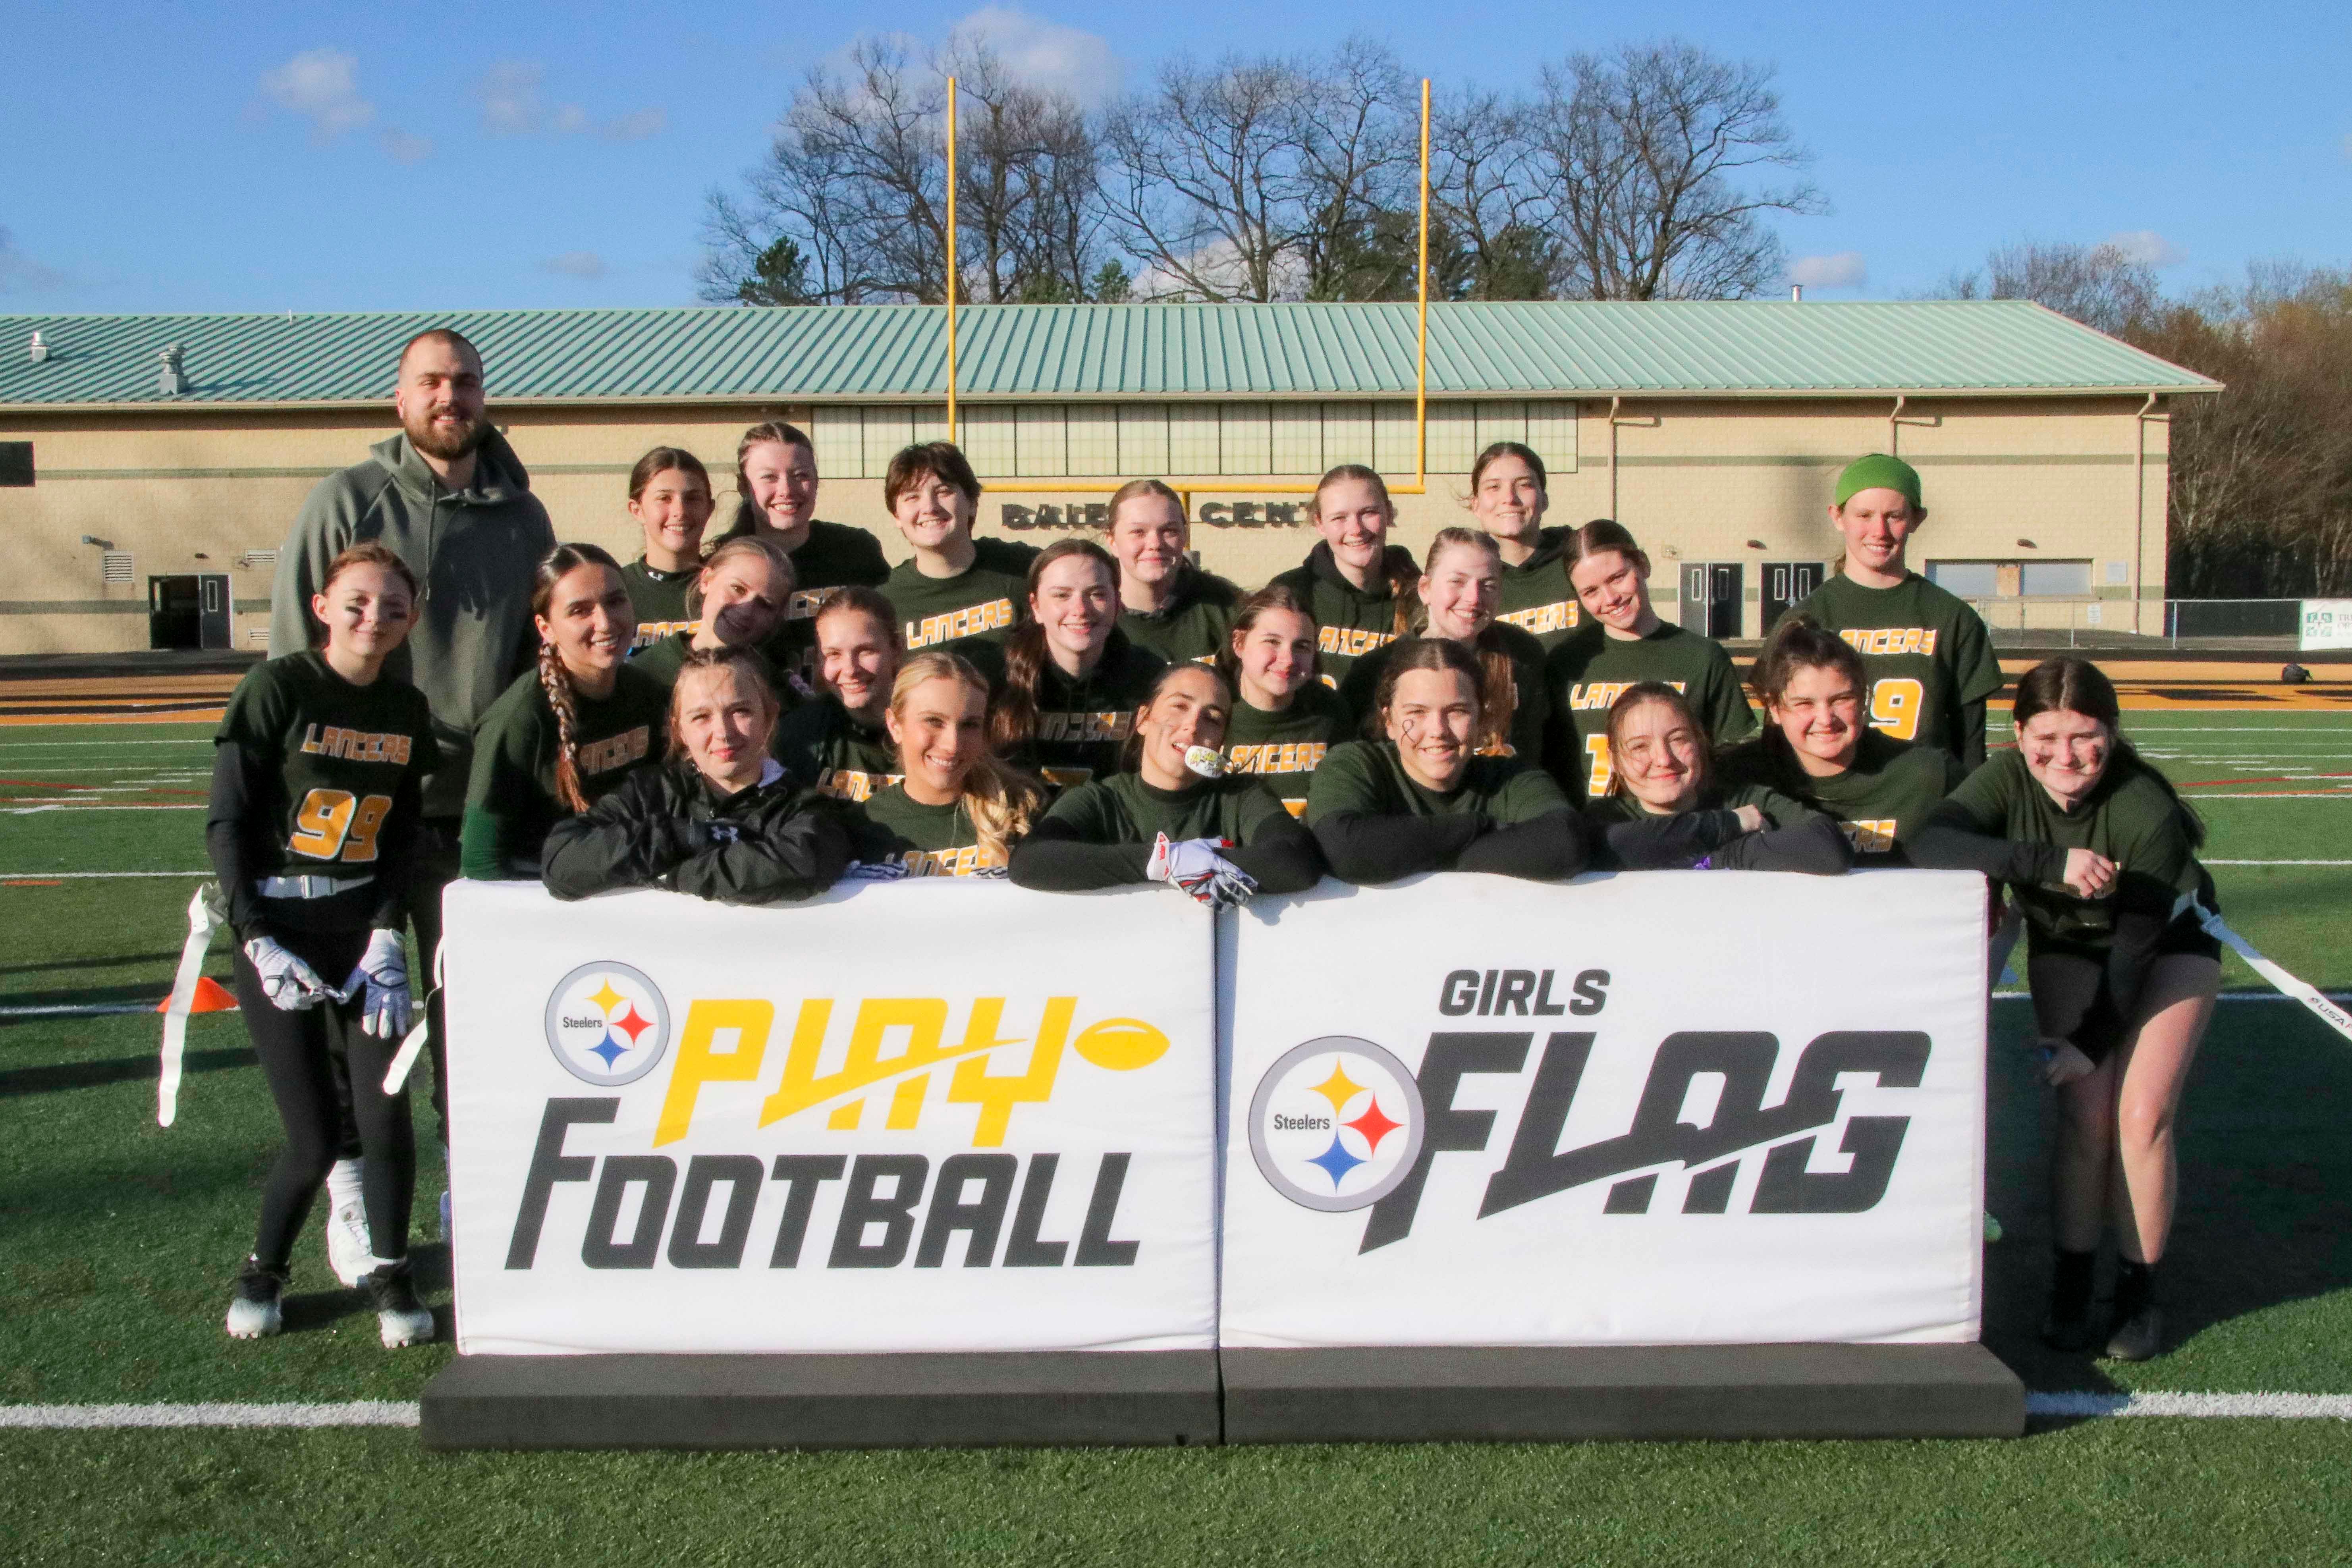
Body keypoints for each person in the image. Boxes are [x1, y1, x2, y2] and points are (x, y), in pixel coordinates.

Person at [265, 326, 554, 1267]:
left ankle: (466, 1183)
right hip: (357, 810)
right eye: (430, 382)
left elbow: (528, 666)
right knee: (363, 1015)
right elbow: (289, 664)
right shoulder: (345, 502)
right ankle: (353, 1185)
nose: (449, 396)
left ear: (483, 395)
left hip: (472, 809)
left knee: (468, 1011)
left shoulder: (525, 518)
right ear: (400, 399)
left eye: (464, 382)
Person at [1911, 658, 2219, 1361]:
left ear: (2109, 732)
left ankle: (2138, 1290)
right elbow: (1929, 840)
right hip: (2066, 944)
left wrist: (2088, 1040)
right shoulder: (2005, 775)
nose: (2066, 756)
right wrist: (2050, 863)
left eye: (2084, 736)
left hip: (2164, 944)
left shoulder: (2142, 808)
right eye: (2046, 737)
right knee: (2084, 1113)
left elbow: (2134, 951)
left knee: (2139, 1115)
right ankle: (2071, 1281)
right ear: (2018, 735)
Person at [214, 542, 439, 1348]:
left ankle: (390, 1270)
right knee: (312, 1137)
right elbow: (228, 821)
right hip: (281, 925)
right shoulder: (278, 687)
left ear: (412, 616)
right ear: (322, 606)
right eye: (358, 602)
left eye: (392, 606)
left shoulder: (405, 708)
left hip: (357, 928)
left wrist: (385, 929)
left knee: (387, 1120)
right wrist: (255, 934)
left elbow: (403, 834)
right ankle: (262, 1269)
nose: (374, 618)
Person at [543, 648, 853, 903]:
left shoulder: (804, 807)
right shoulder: (650, 792)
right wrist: (682, 836)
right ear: (679, 729)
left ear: (769, 716)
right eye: (701, 717)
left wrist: (673, 874)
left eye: (740, 711)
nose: (723, 732)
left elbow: (802, 862)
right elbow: (562, 861)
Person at [1009, 664, 1322, 903]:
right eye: (1179, 706)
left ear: (1221, 742)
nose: (1193, 725)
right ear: (1144, 719)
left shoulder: (1240, 797)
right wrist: (1162, 862)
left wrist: (1207, 863)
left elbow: (1296, 861)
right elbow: (1030, 861)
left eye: (1212, 718)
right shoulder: (1099, 799)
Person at [1775, 453, 2003, 771]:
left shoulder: (1951, 617)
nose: (1879, 530)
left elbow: (1970, 743)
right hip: (1825, 803)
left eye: (1893, 515)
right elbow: (1779, 738)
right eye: (1864, 515)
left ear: (1917, 519)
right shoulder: (1805, 619)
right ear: (1837, 517)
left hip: (1923, 801)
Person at [1306, 638, 1587, 885]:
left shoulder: (1511, 778)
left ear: (1482, 719)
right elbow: (1347, 850)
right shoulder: (1355, 765)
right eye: (1416, 712)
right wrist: (1476, 827)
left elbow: (1565, 844)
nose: (1438, 730)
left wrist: (1407, 853)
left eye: (1456, 711)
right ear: (1389, 721)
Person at [460, 544, 667, 879]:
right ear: (546, 628)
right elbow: (481, 860)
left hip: (631, 887)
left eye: (615, 601)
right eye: (579, 611)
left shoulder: (647, 694)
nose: (605, 622)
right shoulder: (519, 719)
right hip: (549, 901)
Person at [1542, 519, 1758, 804]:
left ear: (1642, 564)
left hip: (1681, 826)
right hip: (1594, 832)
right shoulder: (1566, 662)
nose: (1610, 598)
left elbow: (1735, 762)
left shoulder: (1701, 656)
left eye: (1617, 577)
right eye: (1590, 591)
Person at [1720, 616, 1961, 864]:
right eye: (1804, 703)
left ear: (1863, 698)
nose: (1826, 719)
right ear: (1774, 708)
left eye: (1841, 700)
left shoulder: (1930, 774)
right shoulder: (1736, 778)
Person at [1582, 683, 1852, 874]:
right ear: (1615, 760)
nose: (1664, 759)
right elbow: (1609, 847)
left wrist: (1724, 856)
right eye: (1640, 747)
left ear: (1701, 742)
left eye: (1678, 740)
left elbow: (1828, 847)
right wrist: (1726, 825)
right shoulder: (1607, 817)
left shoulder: (1749, 801)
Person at [1339, 529, 1550, 765]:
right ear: (1425, 589)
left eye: (1488, 585)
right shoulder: (1376, 670)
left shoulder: (1522, 654)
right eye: (1457, 582)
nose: (1474, 598)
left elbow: (1542, 756)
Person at [706, 420, 891, 679]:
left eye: (800, 476)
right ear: (744, 486)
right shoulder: (726, 565)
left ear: (816, 481)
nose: (787, 490)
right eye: (770, 477)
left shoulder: (855, 550)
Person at [849, 652, 1050, 877]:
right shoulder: (860, 826)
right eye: (934, 722)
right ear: (895, 725)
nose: (953, 745)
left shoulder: (1023, 811)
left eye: (969, 725)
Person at [990, 539, 1168, 792]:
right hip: (1021, 825)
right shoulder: (998, 677)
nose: (1080, 609)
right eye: (1062, 595)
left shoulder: (1150, 677)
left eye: (1096, 595)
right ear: (1036, 606)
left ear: (1117, 604)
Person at [878, 442, 1039, 679]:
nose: (929, 507)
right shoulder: (885, 601)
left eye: (944, 492)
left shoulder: (1023, 568)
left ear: (972, 503)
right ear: (897, 516)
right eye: (912, 497)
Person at [1268, 464, 1420, 686]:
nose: (1356, 529)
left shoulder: (1420, 597)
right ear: (1320, 523)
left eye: (1368, 513)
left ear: (1388, 513)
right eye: (1339, 518)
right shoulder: (1292, 591)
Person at [1216, 584, 1353, 817]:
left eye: (1302, 647)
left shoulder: (1330, 710)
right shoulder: (1212, 708)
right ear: (1239, 643)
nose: (1288, 660)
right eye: (1272, 642)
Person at [772, 586, 905, 803]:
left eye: (865, 651)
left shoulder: (931, 725)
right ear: (818, 660)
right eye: (834, 654)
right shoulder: (798, 735)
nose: (851, 669)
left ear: (897, 649)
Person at [627, 535, 797, 693]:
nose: (746, 610)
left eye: (765, 605)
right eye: (738, 589)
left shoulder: (777, 690)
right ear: (706, 581)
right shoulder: (644, 674)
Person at [1106, 479, 1241, 664]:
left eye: (1169, 531)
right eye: (1138, 532)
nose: (1155, 544)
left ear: (1184, 536)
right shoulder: (1091, 612)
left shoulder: (1224, 608)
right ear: (1112, 541)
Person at [1469, 442, 1582, 648]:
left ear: (1544, 499)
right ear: (1475, 505)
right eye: (1494, 487)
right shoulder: (1468, 582)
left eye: (1524, 484)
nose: (1509, 498)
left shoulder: (1578, 560)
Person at [617, 446, 715, 648]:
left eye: (693, 498)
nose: (680, 511)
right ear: (637, 510)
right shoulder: (616, 590)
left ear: (709, 508)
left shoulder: (728, 587)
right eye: (664, 498)